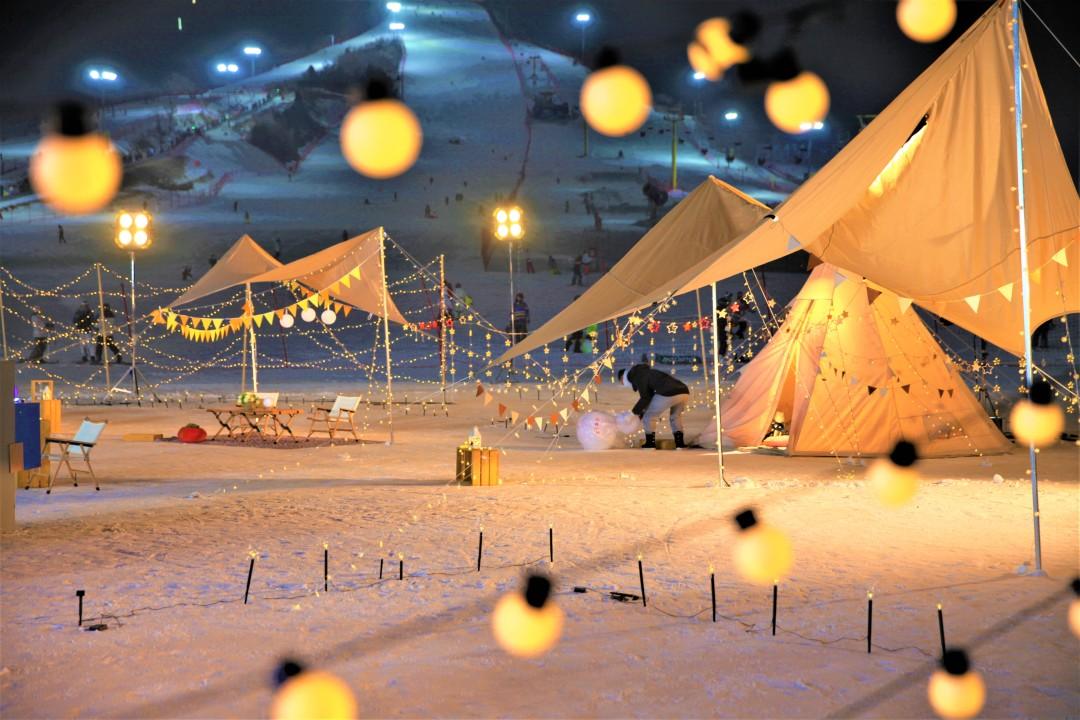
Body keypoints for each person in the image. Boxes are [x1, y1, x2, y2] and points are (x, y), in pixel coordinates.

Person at [618, 364, 690, 449]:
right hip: (684, 391)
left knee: (649, 416)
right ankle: (680, 444)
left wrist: (632, 414)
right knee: (675, 416)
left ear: (623, 377)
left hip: (668, 392)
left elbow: (645, 397)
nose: (623, 385)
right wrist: (640, 413)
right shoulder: (644, 373)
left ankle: (650, 444)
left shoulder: (638, 376)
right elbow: (650, 397)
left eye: (622, 382)